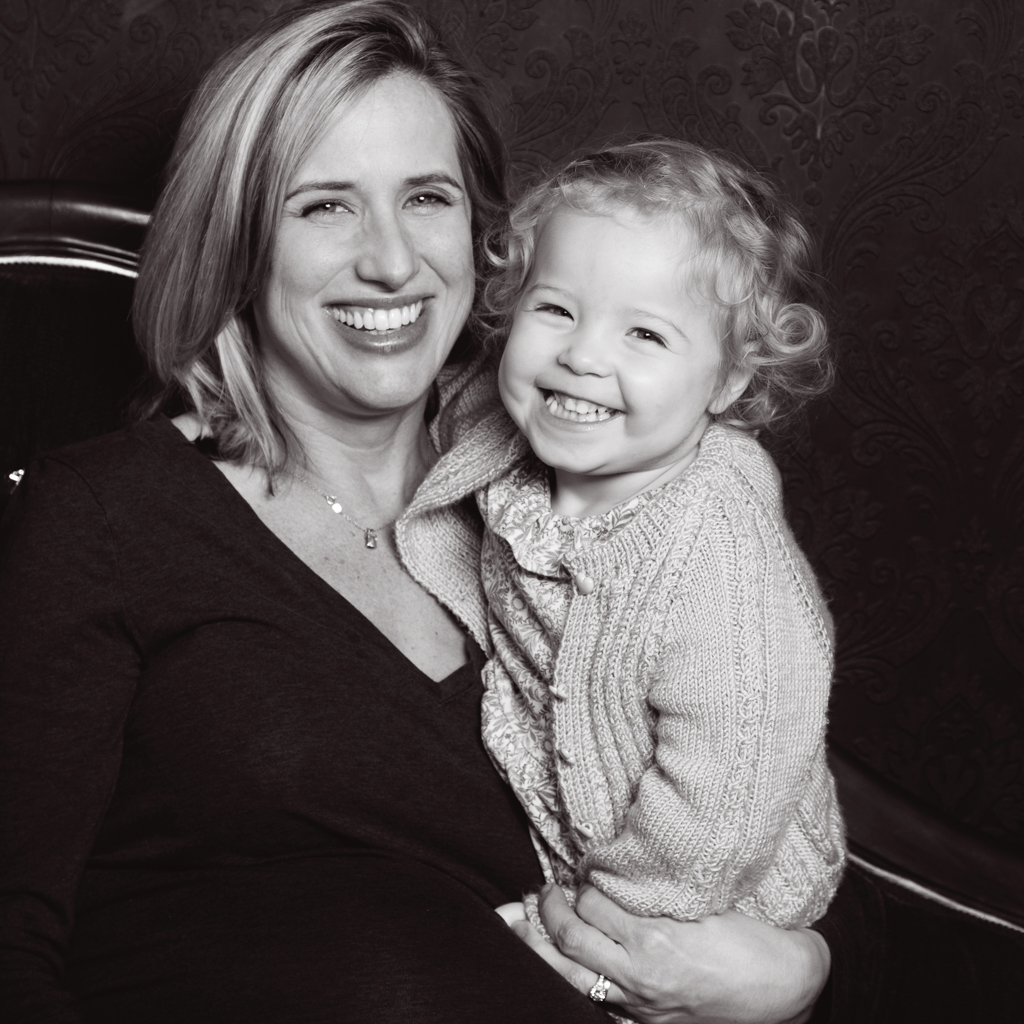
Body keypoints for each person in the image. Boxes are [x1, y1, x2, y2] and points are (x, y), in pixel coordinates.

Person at [0, 3, 1021, 1024]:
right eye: (324, 207)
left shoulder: (623, 493)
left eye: (427, 198)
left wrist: (799, 976)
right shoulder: (104, 517)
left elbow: (765, 789)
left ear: (487, 238)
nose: (392, 262)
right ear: (234, 240)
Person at [458, 140, 845, 957]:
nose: (584, 355)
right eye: (554, 309)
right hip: (576, 834)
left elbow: (724, 804)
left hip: (709, 897)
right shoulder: (510, 446)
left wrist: (584, 927)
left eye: (645, 334)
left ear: (730, 381)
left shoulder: (718, 554)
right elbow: (445, 428)